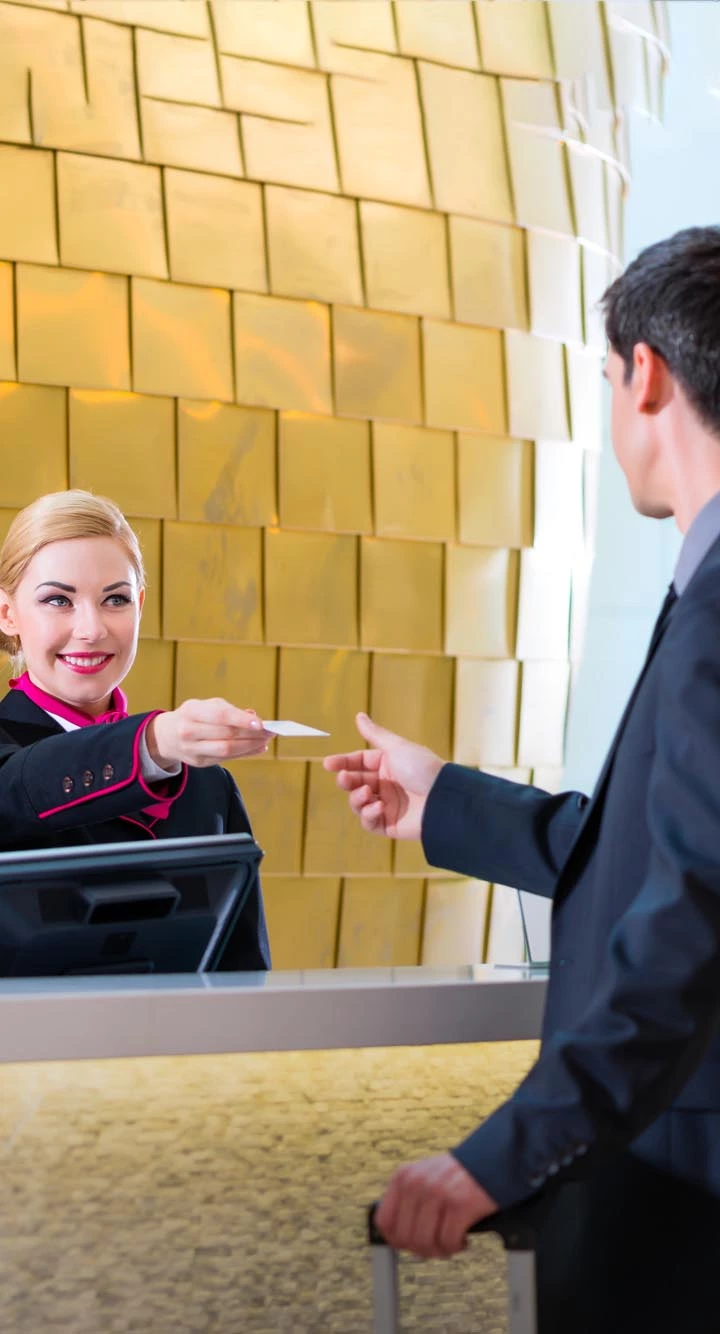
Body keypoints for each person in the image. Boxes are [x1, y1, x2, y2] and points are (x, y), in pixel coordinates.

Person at [325, 226, 720, 1333]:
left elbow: (691, 917)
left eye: (604, 379)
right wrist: (445, 798)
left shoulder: (717, 607)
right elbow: (667, 835)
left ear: (645, 374)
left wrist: (504, 1153)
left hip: (681, 1192)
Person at [0, 490, 273, 970]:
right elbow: (20, 786)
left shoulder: (208, 784)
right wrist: (153, 742)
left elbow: (242, 970)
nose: (91, 628)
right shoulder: (163, 744)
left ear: (140, 605)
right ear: (8, 614)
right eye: (58, 600)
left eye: (115, 600)